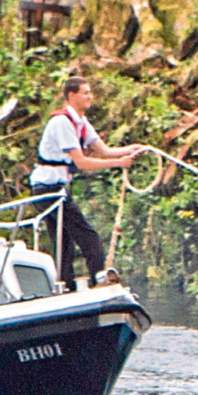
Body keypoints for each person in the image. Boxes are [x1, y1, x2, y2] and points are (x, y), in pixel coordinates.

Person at [31, 73, 149, 288]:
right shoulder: (62, 123)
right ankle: (98, 281)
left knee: (65, 242)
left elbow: (105, 150)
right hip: (47, 190)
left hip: (58, 189)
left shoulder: (81, 123)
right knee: (89, 237)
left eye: (90, 93)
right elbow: (82, 162)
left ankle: (67, 286)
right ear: (71, 95)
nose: (90, 97)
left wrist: (131, 150)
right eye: (86, 93)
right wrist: (119, 164)